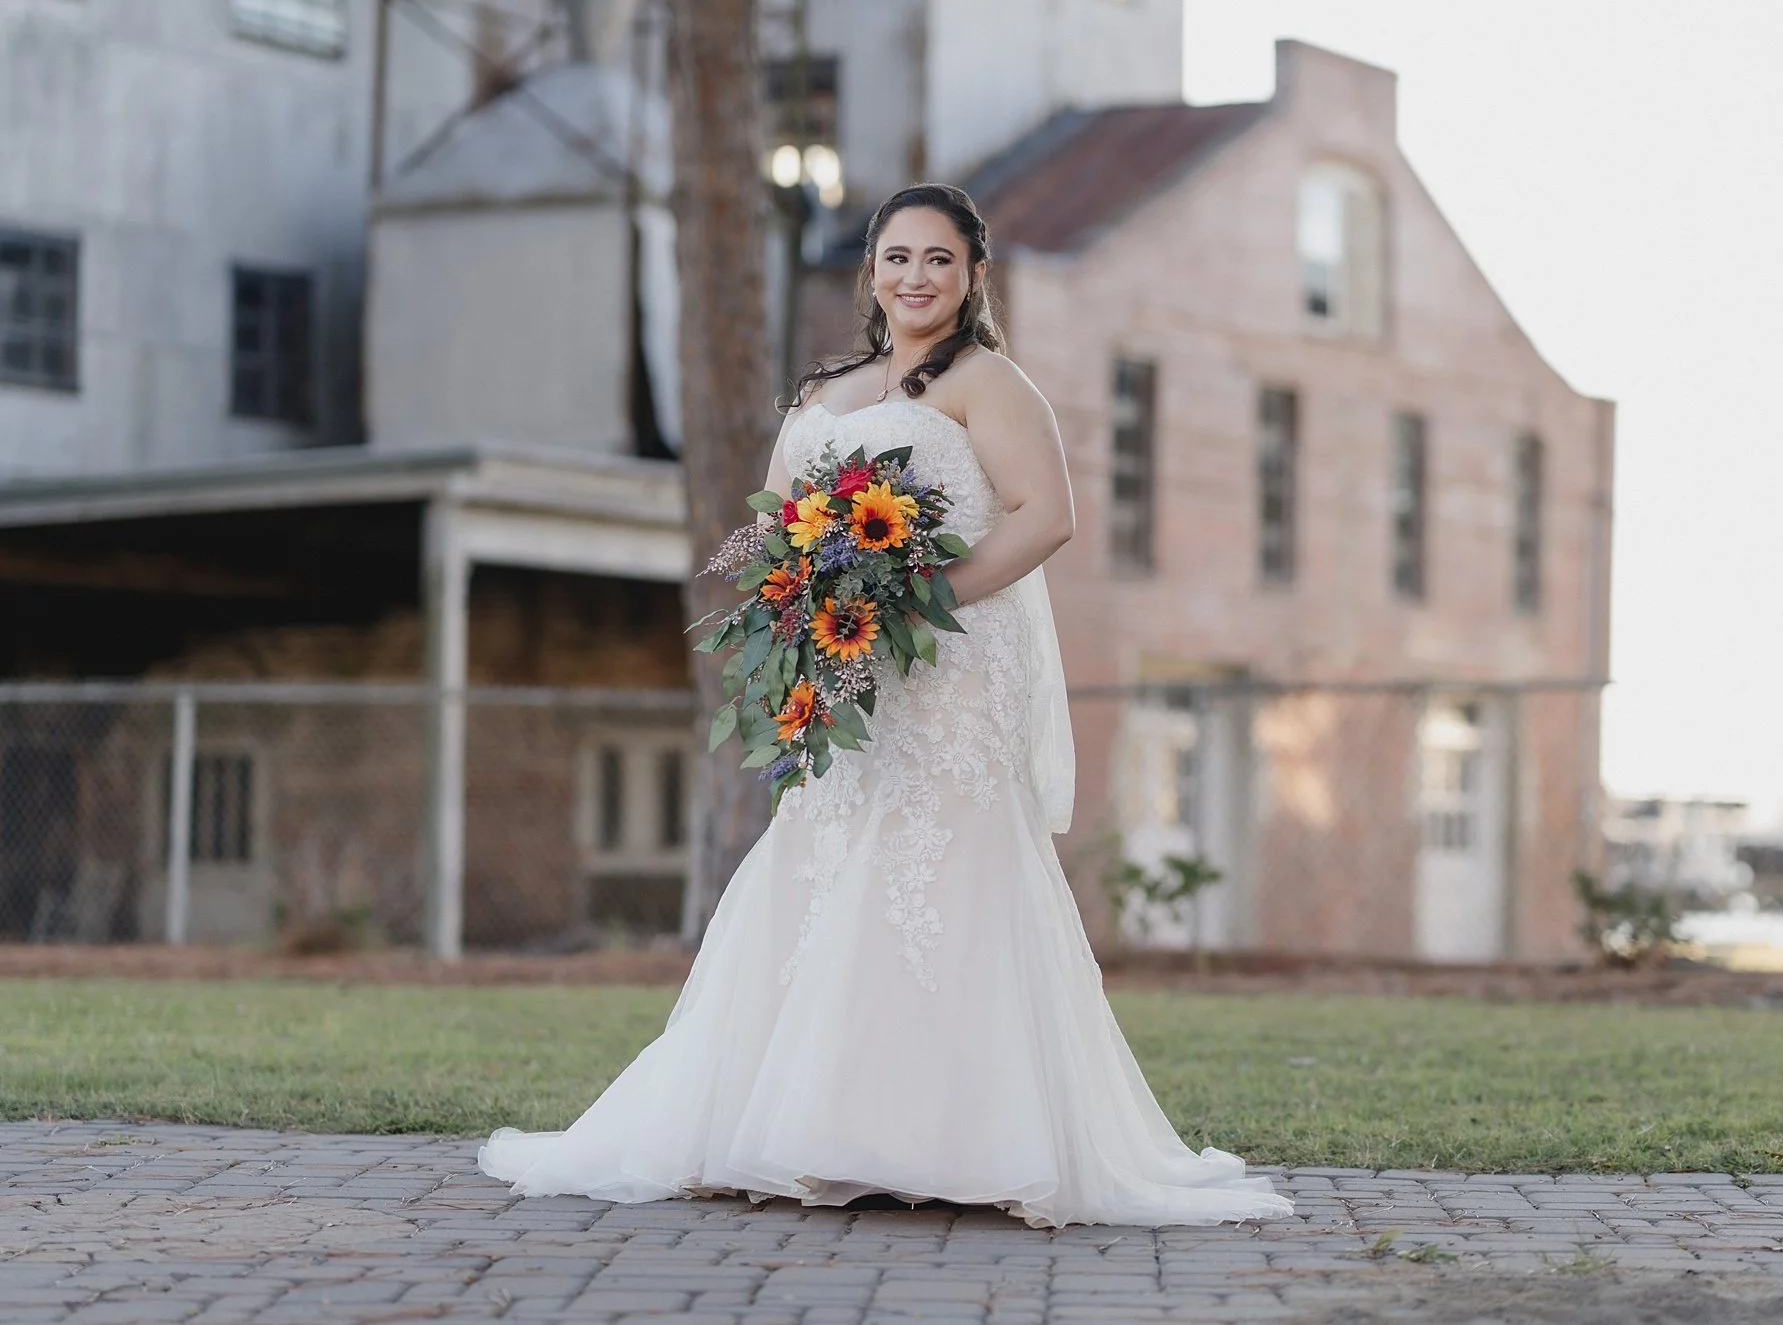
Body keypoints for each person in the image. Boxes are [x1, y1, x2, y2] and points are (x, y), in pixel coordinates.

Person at [475, 183, 1295, 1229]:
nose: (915, 277)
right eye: (897, 257)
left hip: (950, 668)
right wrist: (804, 612)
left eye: (938, 260)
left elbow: (1048, 515)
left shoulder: (988, 384)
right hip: (851, 673)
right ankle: (795, 1125)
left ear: (971, 276)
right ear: (870, 269)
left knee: (941, 873)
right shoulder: (826, 389)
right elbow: (777, 521)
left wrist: (923, 595)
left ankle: (951, 1138)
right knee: (825, 861)